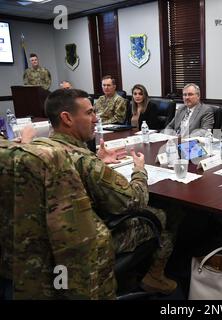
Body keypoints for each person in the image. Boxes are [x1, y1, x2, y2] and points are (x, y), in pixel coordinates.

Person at [37, 88, 178, 295]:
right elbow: (135, 201)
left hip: (52, 241)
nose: (96, 119)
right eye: (89, 113)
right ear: (67, 118)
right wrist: (139, 171)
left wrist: (98, 160)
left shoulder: (42, 149)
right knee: (166, 214)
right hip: (93, 240)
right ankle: (154, 276)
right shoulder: (85, 161)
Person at [0, 138, 116, 299]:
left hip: (11, 271)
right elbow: (72, 241)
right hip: (50, 276)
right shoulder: (46, 158)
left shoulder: (14, 155)